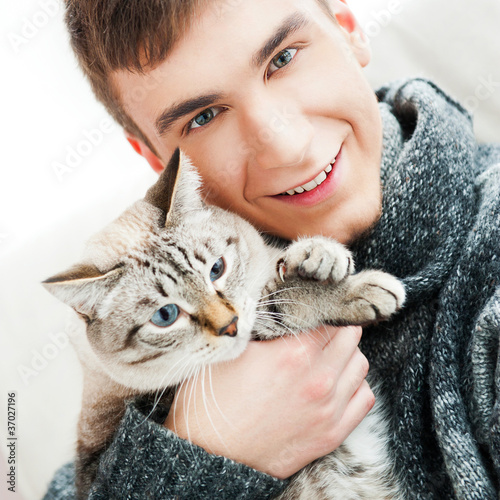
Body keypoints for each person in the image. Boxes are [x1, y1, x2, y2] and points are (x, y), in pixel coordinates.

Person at [45, 0, 500, 498]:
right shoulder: (150, 334)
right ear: (158, 158)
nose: (287, 147)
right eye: (204, 117)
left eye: (282, 59)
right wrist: (195, 451)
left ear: (349, 27)